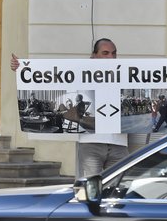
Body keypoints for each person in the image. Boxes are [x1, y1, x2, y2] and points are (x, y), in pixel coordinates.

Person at [11, 37, 128, 177]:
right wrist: (22, 68)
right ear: (93, 56)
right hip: (91, 143)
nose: (111, 57)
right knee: (88, 189)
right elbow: (49, 77)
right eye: (105, 53)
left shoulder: (126, 74)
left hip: (119, 144)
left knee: (117, 191)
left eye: (114, 53)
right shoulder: (79, 74)